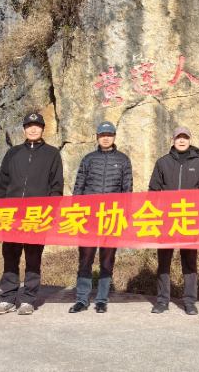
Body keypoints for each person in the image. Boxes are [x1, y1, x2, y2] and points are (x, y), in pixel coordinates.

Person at [0, 113, 63, 315]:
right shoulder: (12, 153)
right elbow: (2, 185)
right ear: (23, 130)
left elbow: (56, 186)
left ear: (43, 129)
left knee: (33, 258)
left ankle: (28, 300)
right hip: (12, 216)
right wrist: (1, 211)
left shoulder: (52, 154)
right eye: (29, 126)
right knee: (10, 257)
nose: (33, 129)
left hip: (36, 216)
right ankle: (7, 298)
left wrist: (50, 212)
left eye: (37, 126)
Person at [69, 121, 132, 314]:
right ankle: (81, 299)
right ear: (96, 136)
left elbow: (127, 191)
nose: (106, 137)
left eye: (109, 134)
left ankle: (102, 300)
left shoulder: (123, 160)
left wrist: (124, 217)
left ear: (114, 137)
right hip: (88, 218)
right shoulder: (88, 159)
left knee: (107, 260)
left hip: (111, 218)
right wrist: (76, 213)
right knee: (85, 260)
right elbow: (78, 188)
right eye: (102, 134)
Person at [148, 127, 199, 315]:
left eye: (185, 137)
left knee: (190, 262)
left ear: (190, 140)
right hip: (167, 220)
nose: (181, 141)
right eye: (178, 137)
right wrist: (156, 216)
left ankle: (189, 301)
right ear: (172, 139)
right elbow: (153, 192)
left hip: (190, 219)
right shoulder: (162, 163)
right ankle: (162, 300)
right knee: (164, 260)